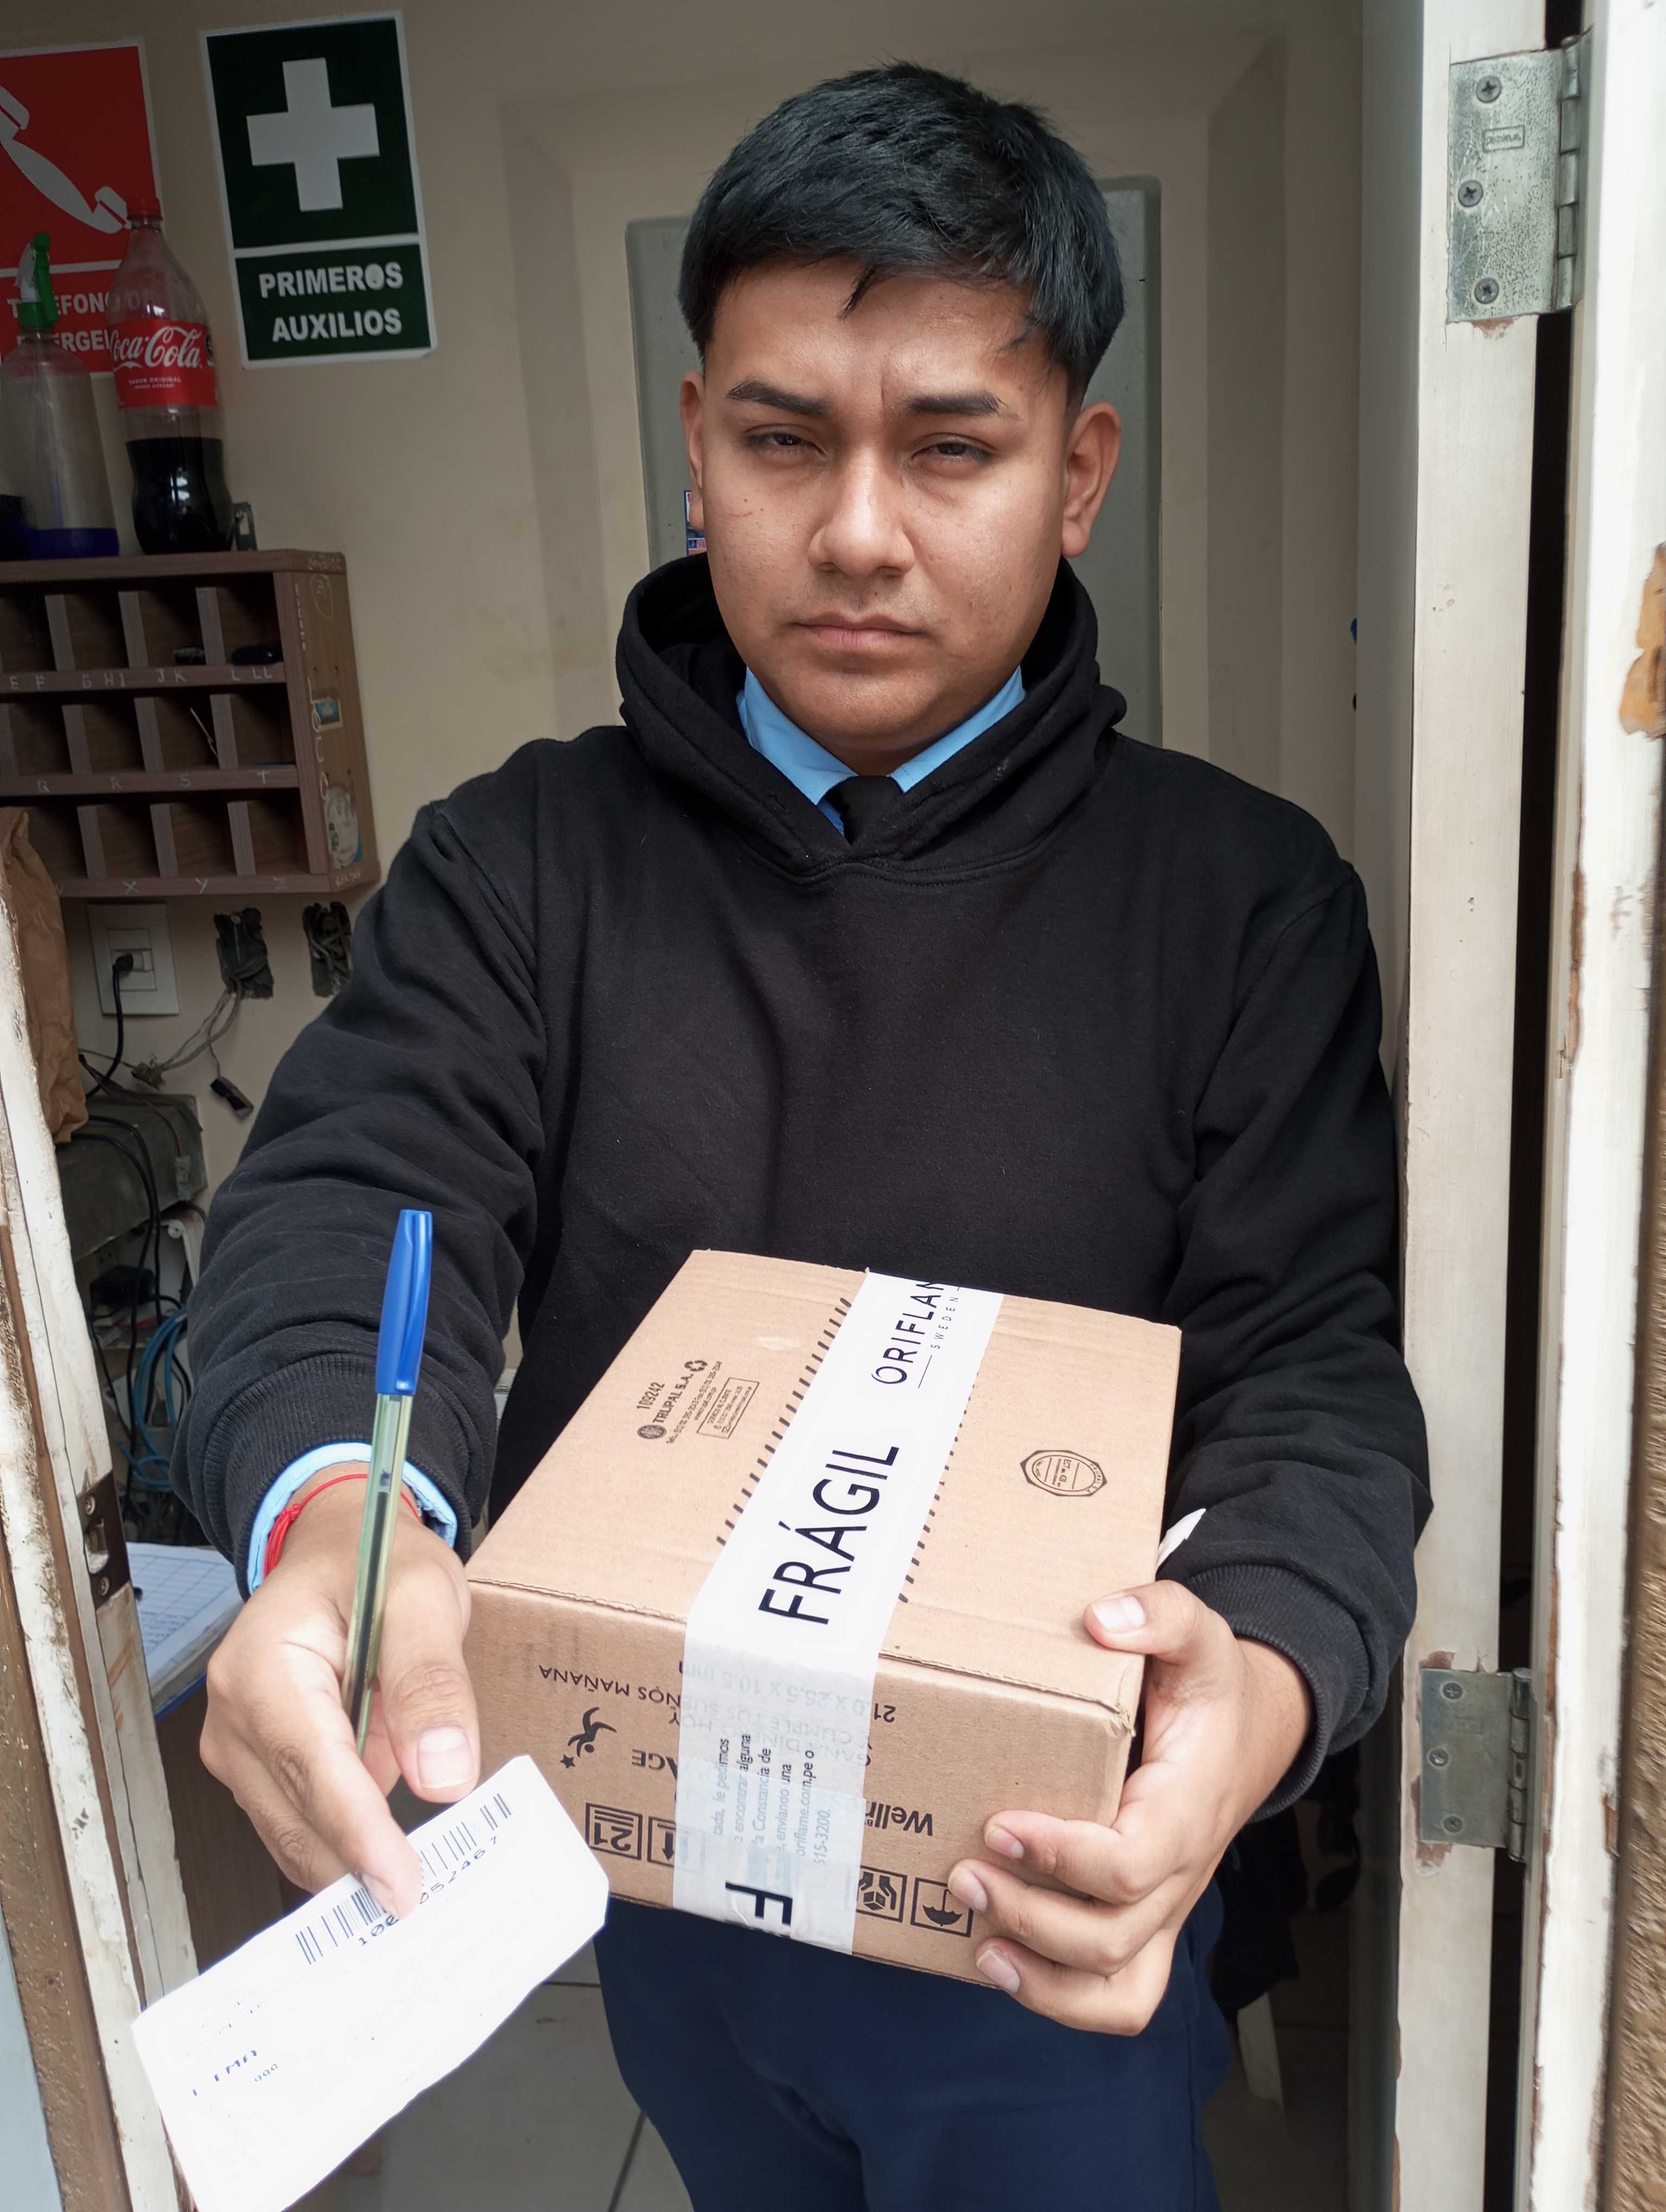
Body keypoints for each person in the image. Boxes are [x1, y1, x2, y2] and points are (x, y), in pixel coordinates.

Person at [177, 62, 1428, 2211]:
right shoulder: (521, 862)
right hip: (651, 1854)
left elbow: (1312, 1372)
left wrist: (1259, 1683)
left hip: (1030, 1897)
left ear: (1079, 472)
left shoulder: (1241, 902)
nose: (856, 532)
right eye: (782, 441)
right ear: (696, 449)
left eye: (952, 447)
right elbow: (355, 1197)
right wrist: (335, 1525)